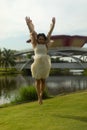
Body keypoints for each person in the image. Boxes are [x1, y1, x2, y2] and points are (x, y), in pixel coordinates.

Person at [25, 16, 56, 104]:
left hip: (45, 65)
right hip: (37, 64)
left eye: (43, 39)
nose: (41, 40)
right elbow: (32, 32)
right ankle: (39, 97)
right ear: (37, 39)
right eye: (40, 39)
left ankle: (42, 95)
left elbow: (49, 33)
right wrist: (28, 24)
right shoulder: (35, 45)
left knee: (43, 80)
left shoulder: (46, 45)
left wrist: (53, 25)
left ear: (44, 40)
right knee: (37, 80)